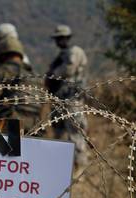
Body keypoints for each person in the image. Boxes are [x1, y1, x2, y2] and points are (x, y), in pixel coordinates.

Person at [46, 25, 88, 167]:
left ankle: (79, 169)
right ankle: (62, 166)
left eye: (61, 38)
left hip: (72, 99)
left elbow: (68, 70)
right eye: (58, 39)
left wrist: (53, 74)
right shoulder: (61, 55)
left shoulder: (74, 52)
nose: (59, 41)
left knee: (76, 133)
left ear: (67, 38)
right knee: (60, 134)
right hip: (60, 99)